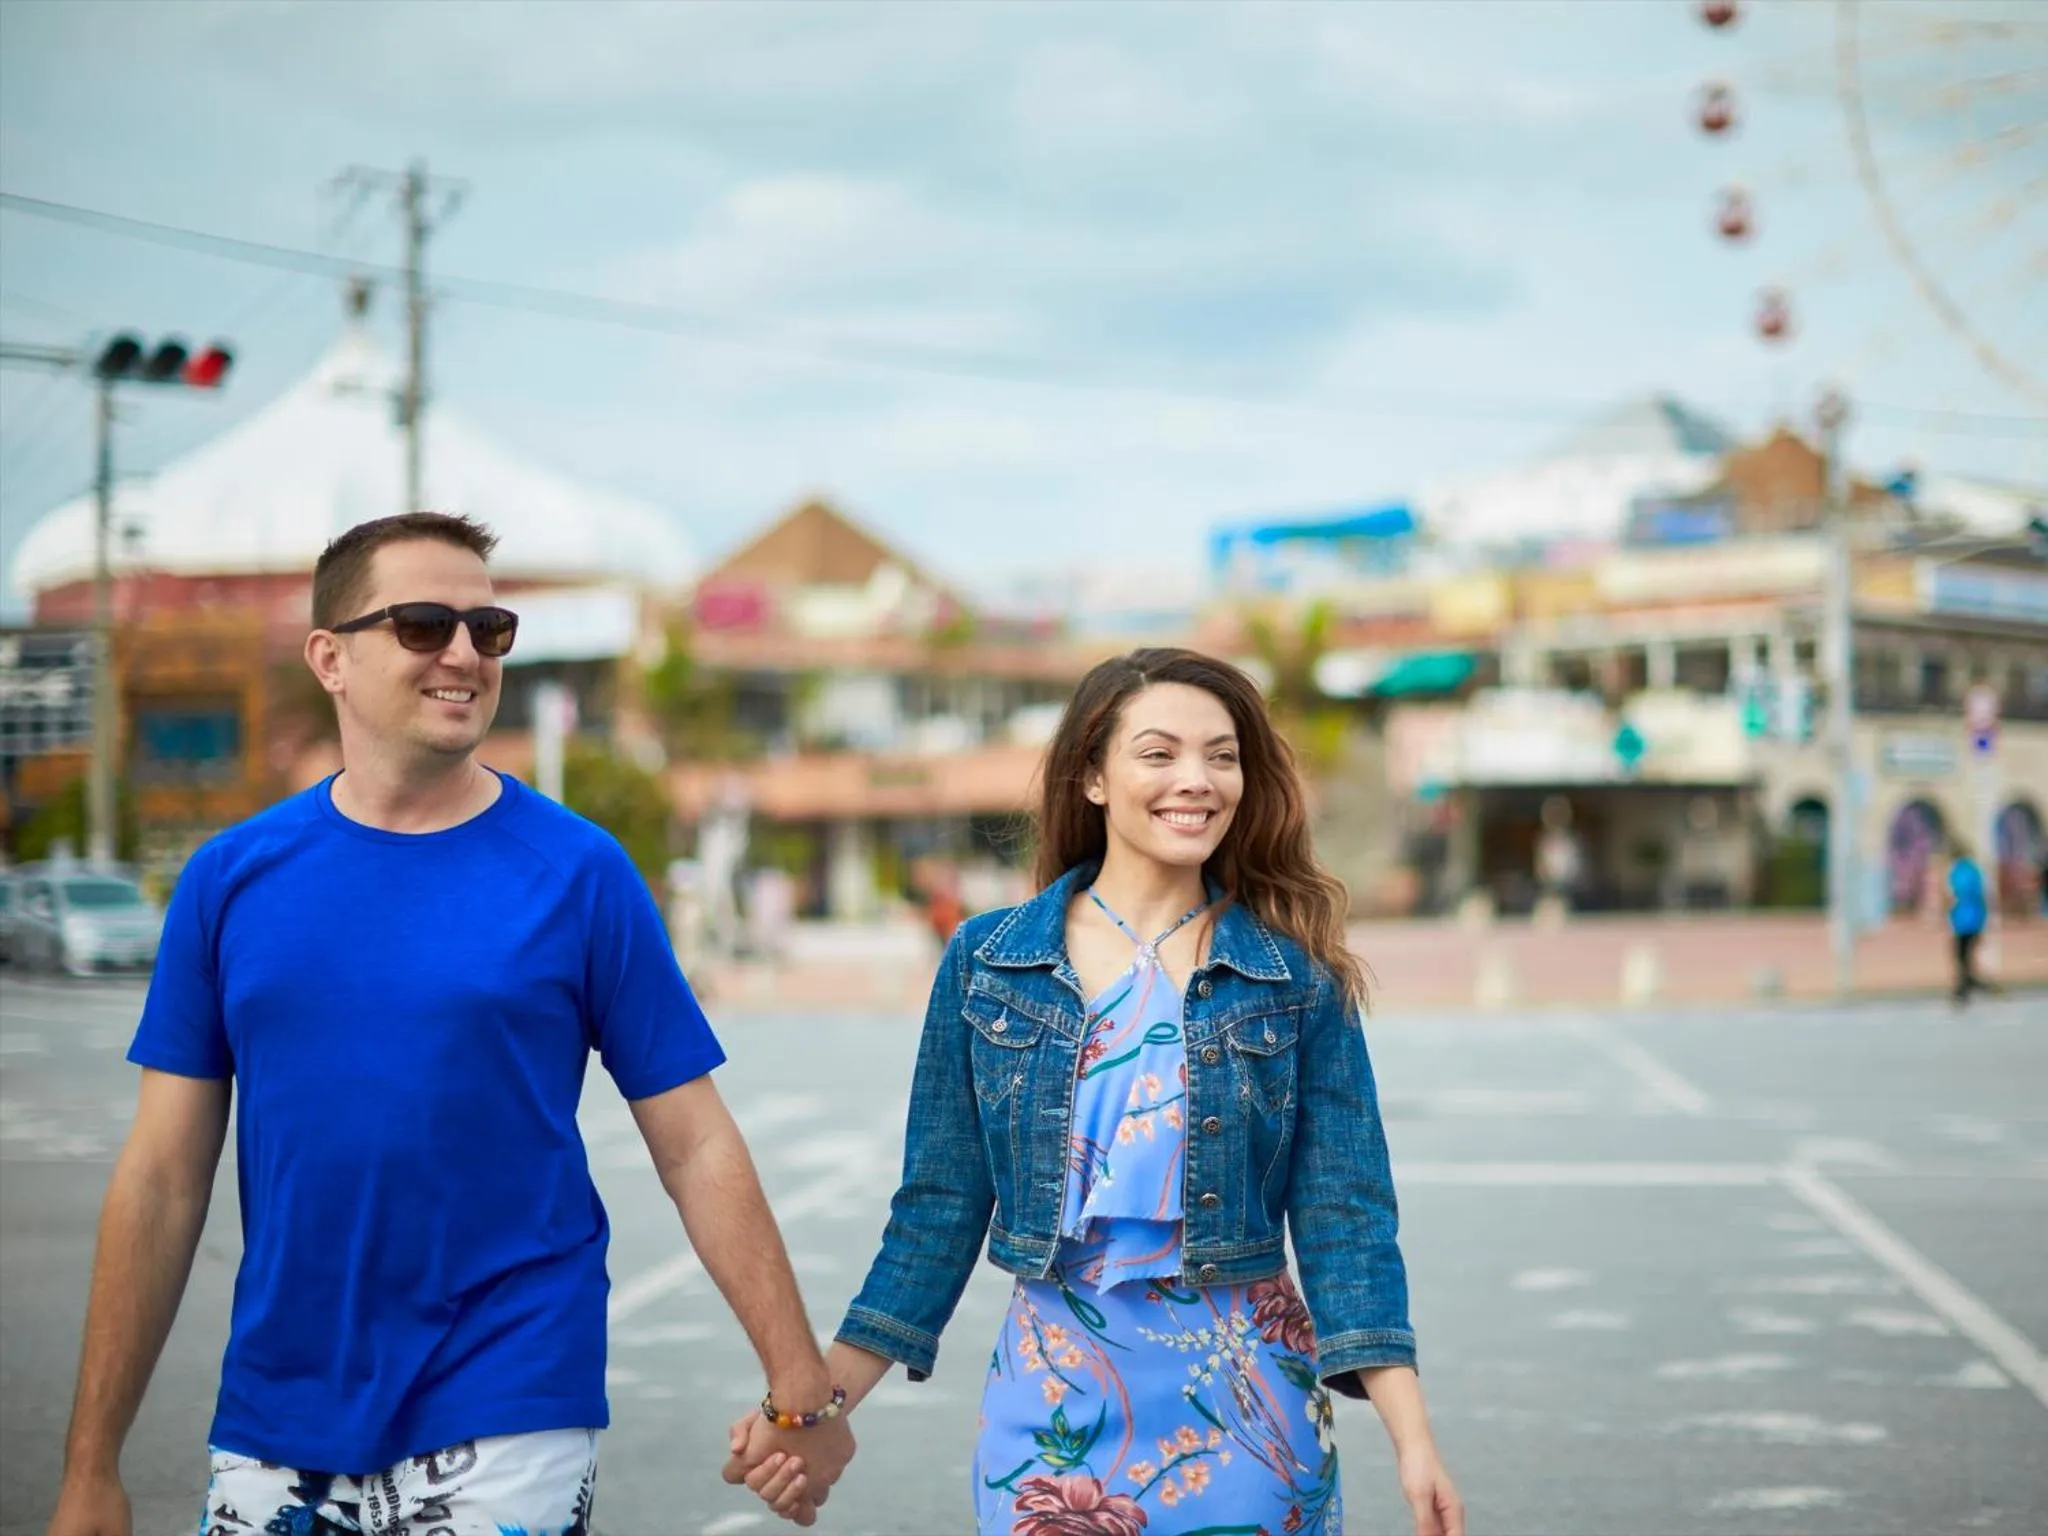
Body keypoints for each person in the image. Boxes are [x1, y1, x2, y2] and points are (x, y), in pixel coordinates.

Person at [46, 513, 853, 1536]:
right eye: (424, 625)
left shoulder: (579, 873)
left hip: (509, 1400)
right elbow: (162, 1178)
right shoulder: (229, 881)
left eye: (489, 628)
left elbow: (693, 1143)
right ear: (330, 658)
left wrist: (800, 1387)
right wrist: (90, 1467)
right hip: (277, 1410)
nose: (465, 654)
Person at [725, 648, 1462, 1534]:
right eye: (1159, 753)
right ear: (1093, 777)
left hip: (1251, 1413)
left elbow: (1347, 1220)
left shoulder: (1295, 977)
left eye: (1221, 757)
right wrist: (816, 1408)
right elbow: (937, 1211)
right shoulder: (989, 963)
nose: (1196, 780)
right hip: (1052, 1410)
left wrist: (1414, 1442)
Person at [1946, 838, 1997, 1006]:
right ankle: (1968, 985)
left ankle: (1965, 988)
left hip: (1963, 920)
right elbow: (1981, 894)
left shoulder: (1958, 871)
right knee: (1965, 954)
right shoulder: (1974, 870)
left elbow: (1955, 894)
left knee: (1961, 955)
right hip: (1974, 918)